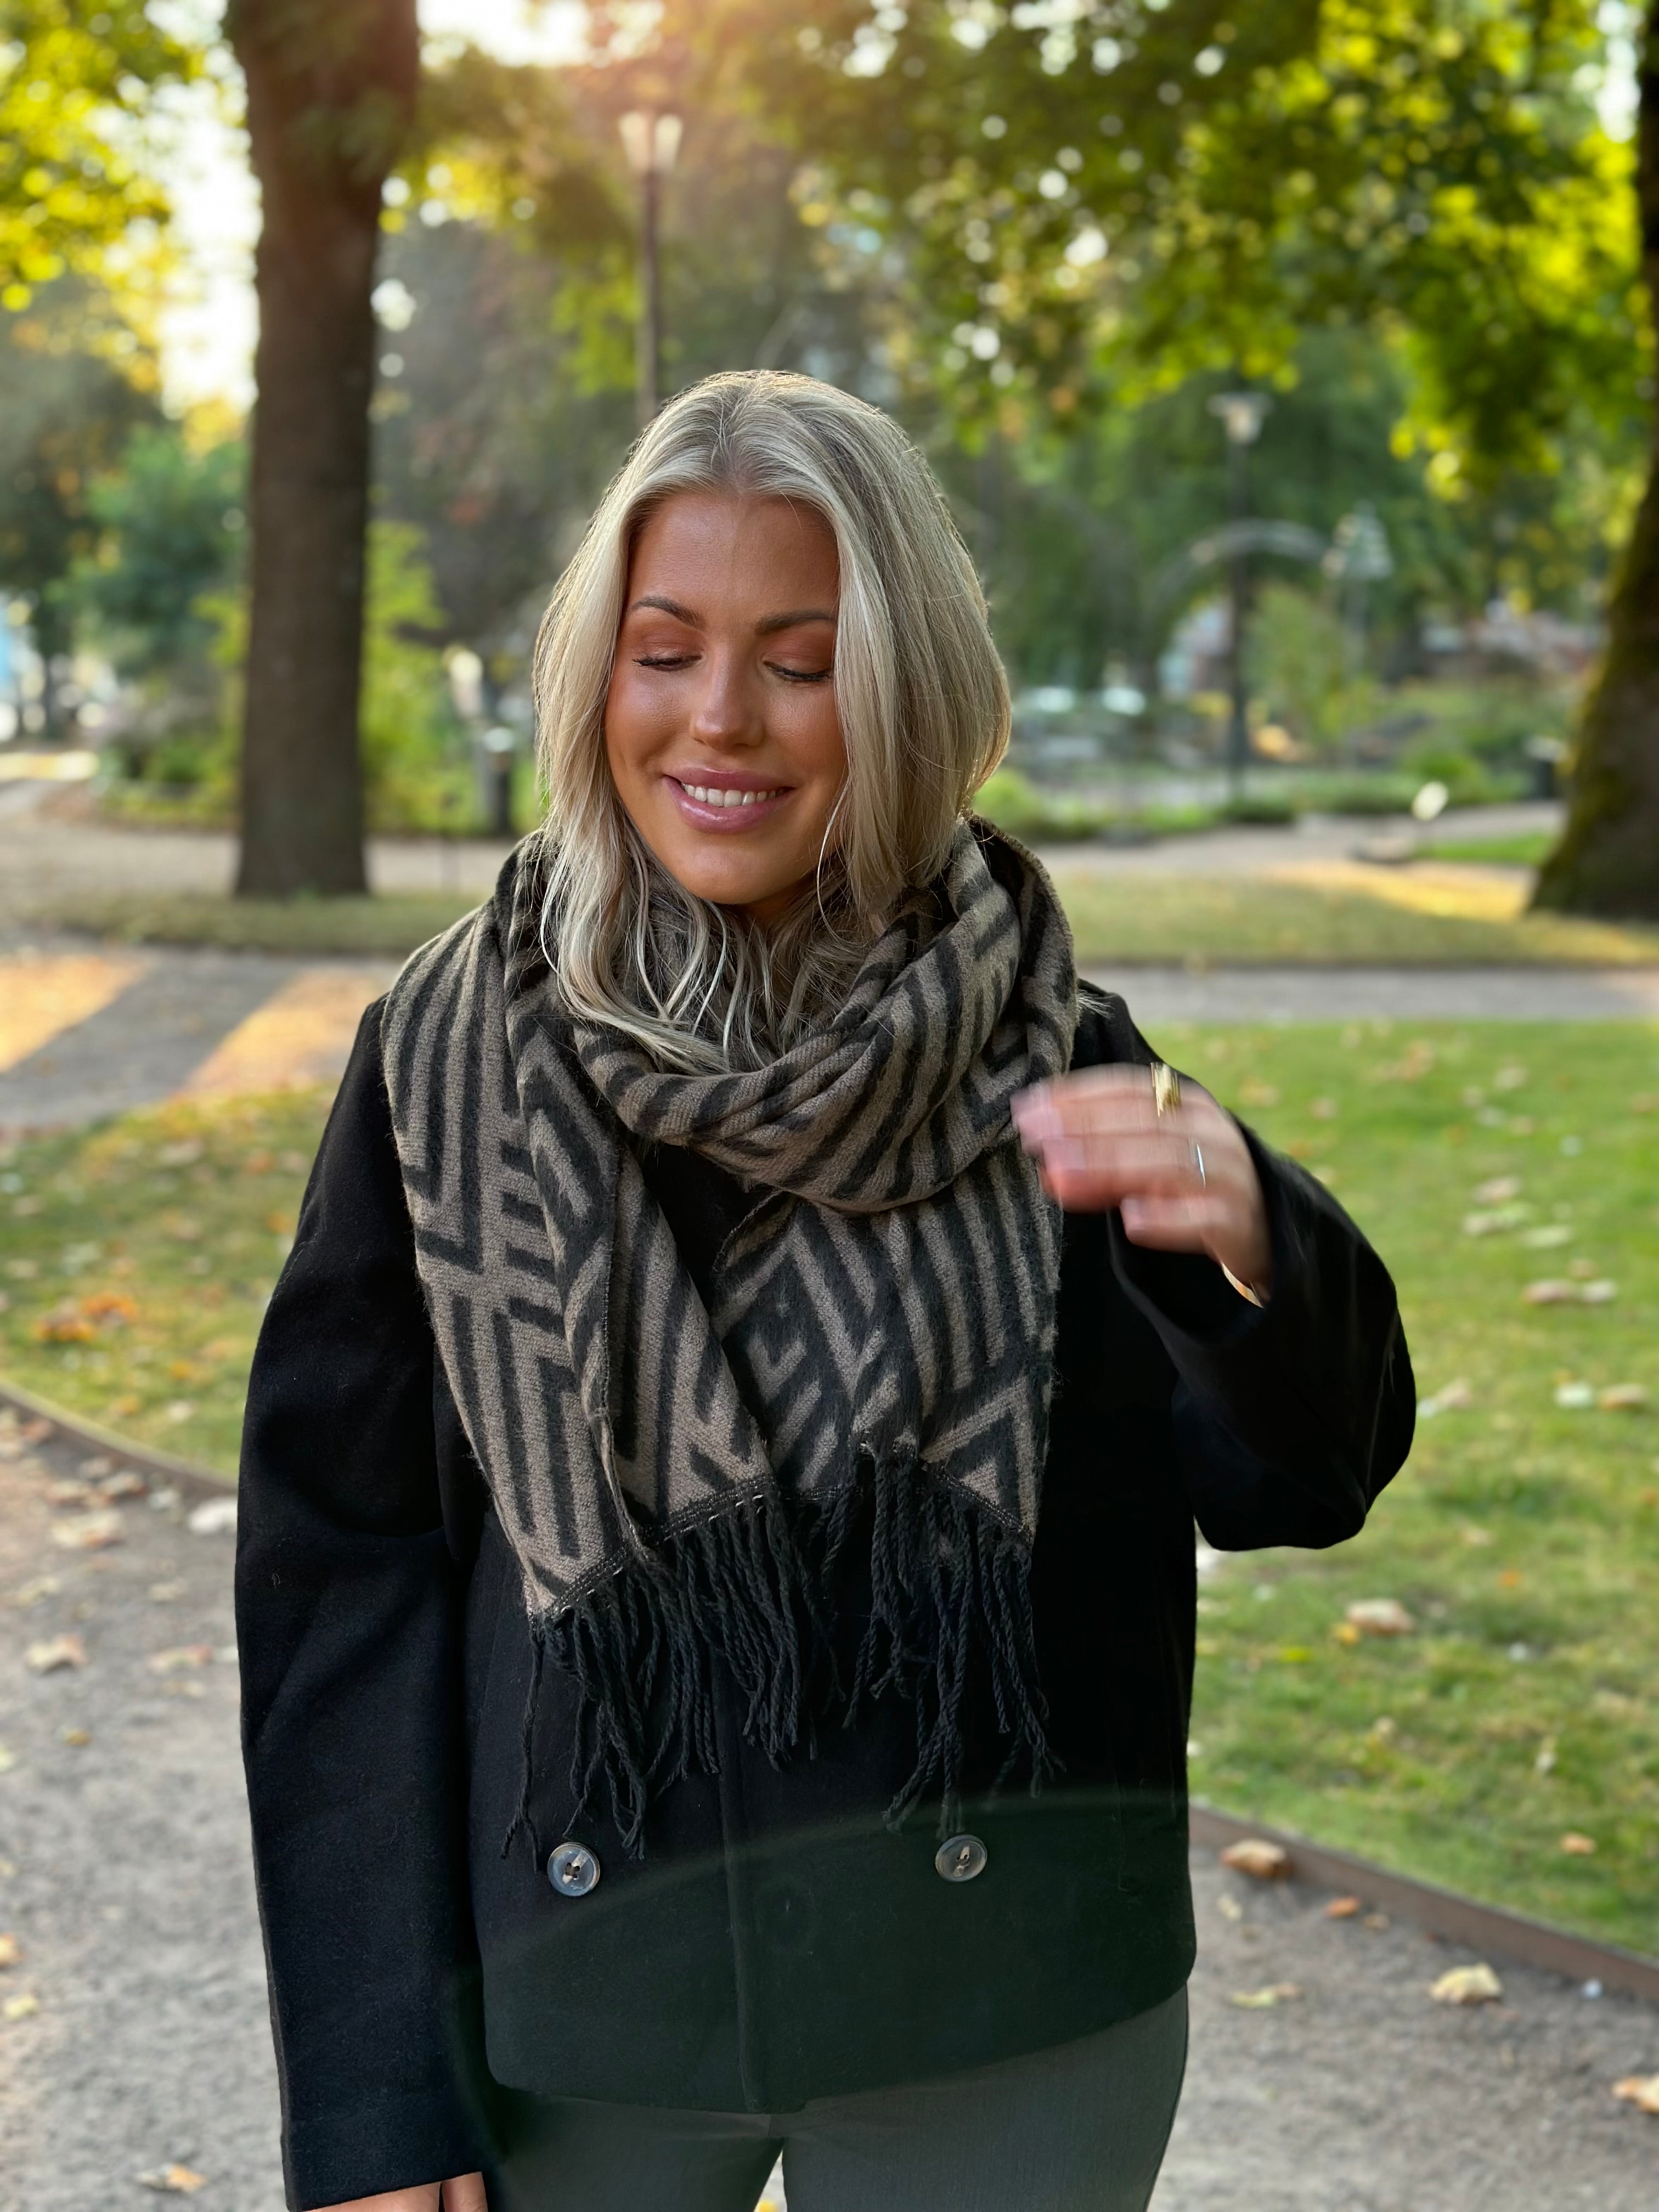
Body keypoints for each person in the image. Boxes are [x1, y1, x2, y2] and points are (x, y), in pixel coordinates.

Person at [237, 371, 1413, 2212]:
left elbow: (1305, 1483)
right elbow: (342, 1591)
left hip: (1006, 2015)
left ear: (904, 688)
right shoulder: (444, 1066)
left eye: (800, 659)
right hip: (575, 2018)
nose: (721, 719)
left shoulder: (1053, 1051)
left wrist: (1258, 1226)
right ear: (594, 679)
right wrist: (378, 2102)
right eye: (664, 649)